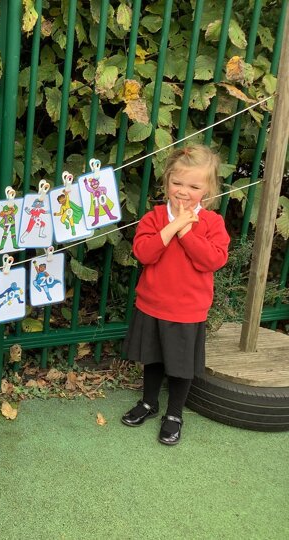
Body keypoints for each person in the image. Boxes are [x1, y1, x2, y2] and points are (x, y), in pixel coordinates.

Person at [121, 145, 230, 446]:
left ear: (208, 190)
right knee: (153, 359)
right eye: (177, 182)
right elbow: (144, 253)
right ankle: (148, 402)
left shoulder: (213, 223)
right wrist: (173, 227)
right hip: (152, 305)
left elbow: (213, 260)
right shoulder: (154, 217)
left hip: (187, 310)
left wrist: (186, 233)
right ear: (167, 180)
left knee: (181, 366)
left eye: (194, 186)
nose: (183, 191)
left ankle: (174, 414)